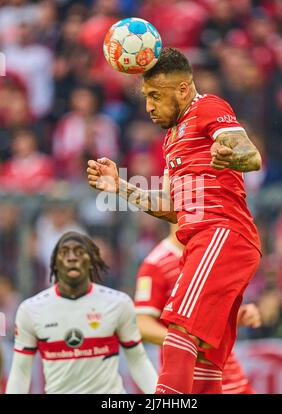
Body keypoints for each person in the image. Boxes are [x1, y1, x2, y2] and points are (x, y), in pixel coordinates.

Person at [87, 47, 262, 394]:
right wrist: (120, 187)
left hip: (221, 233)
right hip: (209, 239)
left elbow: (251, 155)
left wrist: (230, 155)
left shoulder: (207, 107)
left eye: (155, 96)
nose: (149, 106)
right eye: (146, 97)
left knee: (178, 332)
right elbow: (171, 206)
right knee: (207, 358)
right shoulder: (171, 139)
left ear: (182, 89)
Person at [6, 231, 157, 394]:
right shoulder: (31, 310)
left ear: (91, 261)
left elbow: (138, 360)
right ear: (54, 263)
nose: (72, 258)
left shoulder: (118, 303)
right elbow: (20, 371)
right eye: (64, 253)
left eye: (79, 252)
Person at [134, 224, 261, 394]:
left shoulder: (212, 252)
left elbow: (207, 314)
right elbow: (142, 324)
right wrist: (188, 342)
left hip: (230, 376)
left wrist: (238, 315)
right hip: (189, 380)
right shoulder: (155, 264)